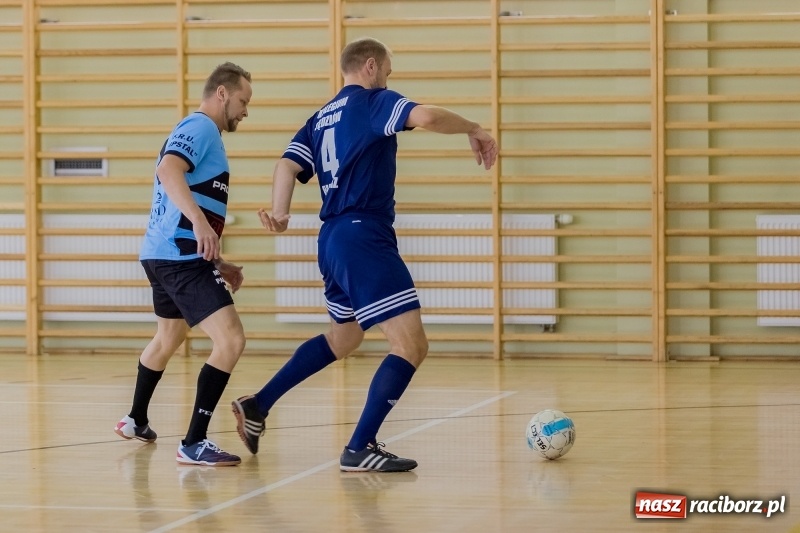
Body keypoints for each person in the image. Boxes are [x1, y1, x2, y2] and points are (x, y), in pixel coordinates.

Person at [231, 37, 497, 472]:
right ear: (370, 66)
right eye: (388, 72)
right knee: (411, 344)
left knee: (345, 337)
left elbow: (286, 165)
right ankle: (359, 447)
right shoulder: (373, 101)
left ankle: (259, 404)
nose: (389, 80)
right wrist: (474, 128)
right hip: (363, 235)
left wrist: (280, 213)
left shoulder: (320, 118)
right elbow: (427, 116)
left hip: (332, 238)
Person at [114, 62, 252, 467]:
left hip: (162, 253)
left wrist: (217, 259)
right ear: (222, 93)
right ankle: (194, 442)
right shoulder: (201, 127)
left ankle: (135, 420)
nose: (245, 111)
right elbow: (168, 169)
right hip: (179, 256)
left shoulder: (201, 132)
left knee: (167, 338)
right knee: (231, 340)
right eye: (243, 101)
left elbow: (185, 192)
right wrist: (199, 225)